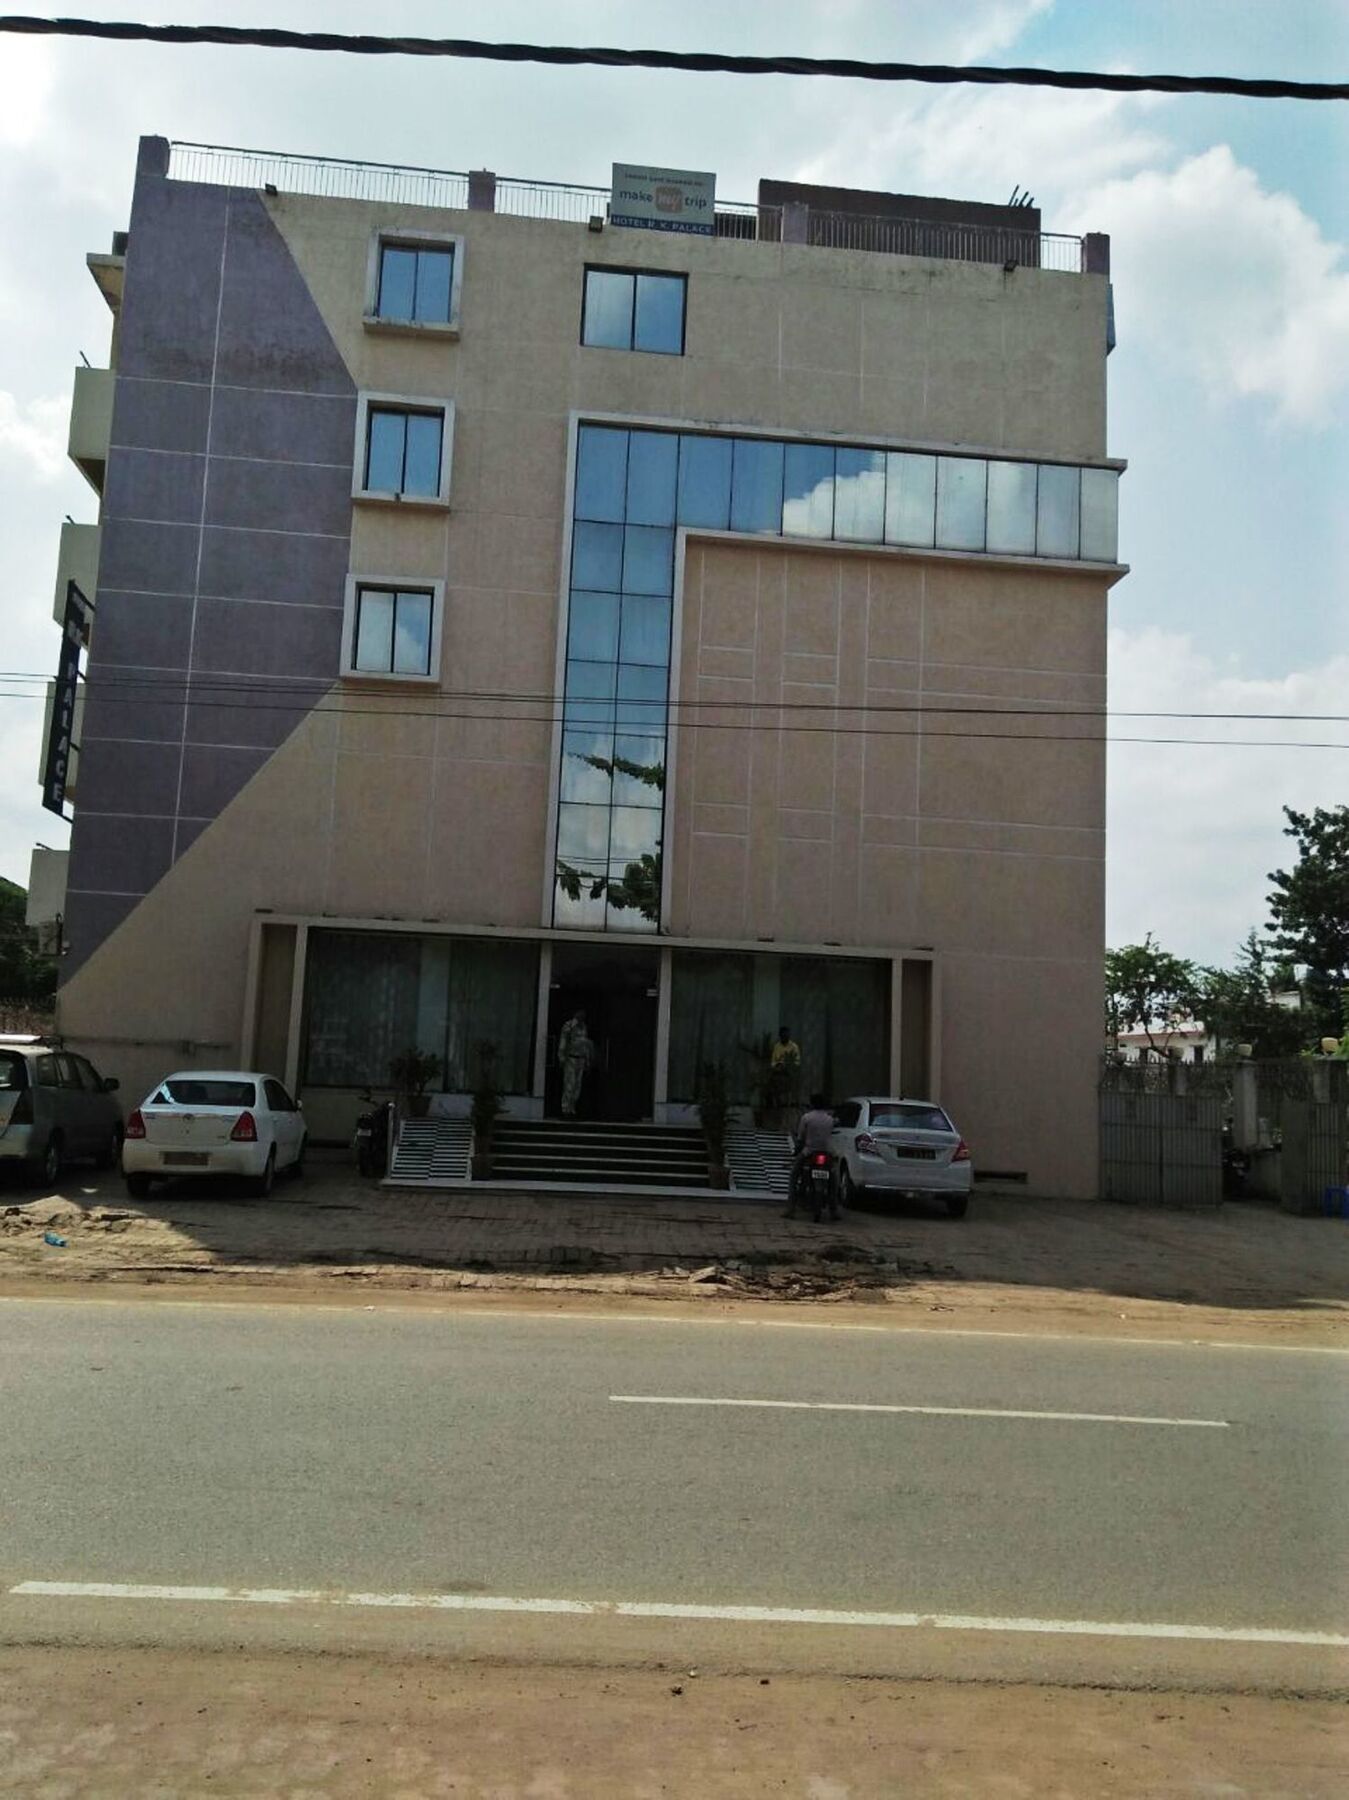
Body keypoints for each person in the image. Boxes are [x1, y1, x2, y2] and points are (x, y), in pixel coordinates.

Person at [785, 1091, 840, 1220]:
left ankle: (790, 1209)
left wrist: (796, 1151)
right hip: (827, 1152)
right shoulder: (829, 1119)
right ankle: (834, 1210)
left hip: (809, 1152)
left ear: (812, 1104)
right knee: (833, 1180)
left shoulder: (807, 1118)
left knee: (793, 1175)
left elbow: (800, 1138)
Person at [557, 1009, 595, 1117]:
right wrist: (561, 1057)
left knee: (577, 1086)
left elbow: (585, 1045)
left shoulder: (584, 1027)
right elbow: (563, 1041)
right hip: (571, 1058)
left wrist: (587, 1060)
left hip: (581, 1059)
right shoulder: (568, 1026)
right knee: (569, 1084)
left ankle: (572, 1108)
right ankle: (565, 1108)